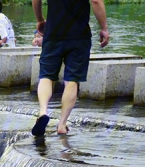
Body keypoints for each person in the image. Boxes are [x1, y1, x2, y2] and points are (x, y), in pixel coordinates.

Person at [32, 0, 108, 136]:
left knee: (46, 76)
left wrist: (40, 19)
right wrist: (104, 28)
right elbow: (96, 1)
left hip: (53, 34)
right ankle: (62, 124)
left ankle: (43, 111)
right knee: (72, 80)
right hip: (79, 36)